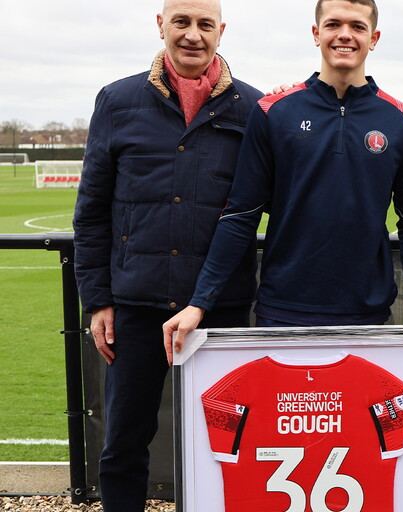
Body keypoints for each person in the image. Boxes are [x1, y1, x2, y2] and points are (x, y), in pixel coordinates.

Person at [163, 0, 403, 354]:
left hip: (367, 313)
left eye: (357, 27)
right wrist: (200, 302)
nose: (345, 35)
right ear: (316, 34)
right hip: (282, 310)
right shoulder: (273, 111)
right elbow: (239, 215)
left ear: (373, 38)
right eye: (333, 25)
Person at [72, 0, 263, 509]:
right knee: (123, 445)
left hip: (221, 310)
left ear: (222, 30)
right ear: (161, 25)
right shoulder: (117, 101)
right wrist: (98, 301)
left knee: (228, 447)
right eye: (182, 21)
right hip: (136, 306)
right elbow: (91, 214)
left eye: (205, 24)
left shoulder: (253, 108)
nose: (193, 35)